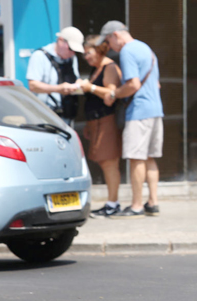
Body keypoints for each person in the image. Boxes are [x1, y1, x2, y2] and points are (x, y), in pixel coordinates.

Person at [97, 20, 164, 219]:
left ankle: (136, 206)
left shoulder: (127, 51)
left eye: (108, 42)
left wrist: (115, 93)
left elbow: (133, 84)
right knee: (150, 158)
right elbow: (157, 84)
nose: (109, 47)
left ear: (115, 35)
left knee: (137, 158)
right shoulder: (147, 49)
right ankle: (153, 202)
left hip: (139, 111)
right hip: (156, 109)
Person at [78, 35, 123, 218]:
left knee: (109, 162)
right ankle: (111, 202)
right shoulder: (96, 69)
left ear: (98, 50)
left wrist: (91, 88)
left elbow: (111, 94)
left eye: (88, 53)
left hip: (107, 121)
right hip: (96, 122)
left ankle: (113, 203)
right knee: (103, 162)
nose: (86, 57)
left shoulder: (109, 67)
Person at [27, 26, 84, 126]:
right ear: (60, 40)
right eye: (71, 48)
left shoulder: (72, 58)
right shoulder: (40, 56)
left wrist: (79, 85)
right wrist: (58, 89)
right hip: (45, 116)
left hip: (66, 116)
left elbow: (76, 78)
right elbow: (33, 85)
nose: (72, 52)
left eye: (75, 50)